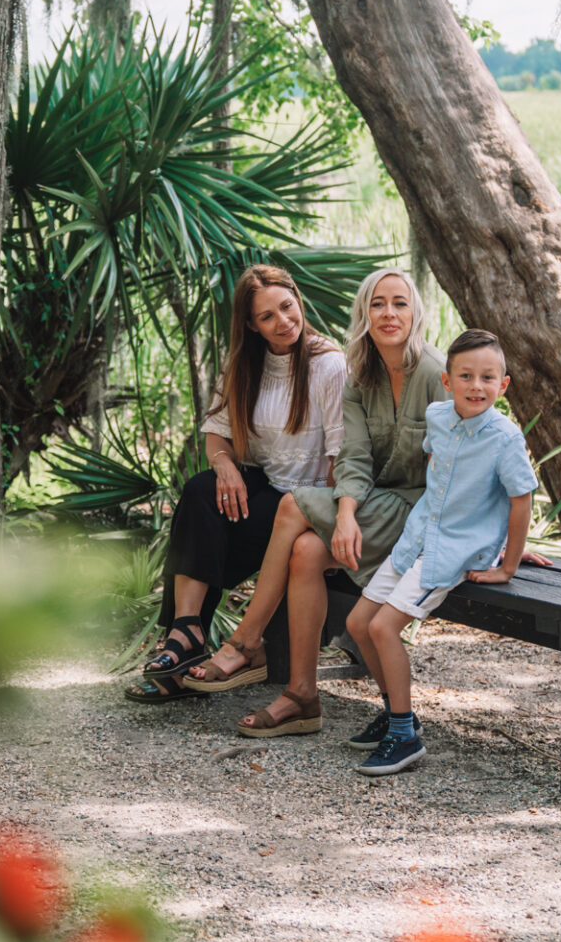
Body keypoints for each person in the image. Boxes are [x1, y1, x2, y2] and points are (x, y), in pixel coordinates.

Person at [185, 268, 444, 736]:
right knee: (305, 551)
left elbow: (474, 459)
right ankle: (302, 695)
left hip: (423, 515)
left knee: (291, 507)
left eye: (400, 303)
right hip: (375, 506)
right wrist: (345, 514)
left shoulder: (433, 372)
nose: (388, 313)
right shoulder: (360, 373)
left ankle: (246, 639)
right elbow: (355, 457)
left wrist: (498, 538)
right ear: (363, 313)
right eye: (377, 304)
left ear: (416, 311)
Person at [131, 263, 345, 714]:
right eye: (267, 316)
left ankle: (191, 653)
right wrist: (225, 463)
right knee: (201, 493)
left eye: (287, 307)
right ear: (251, 324)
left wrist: (321, 515)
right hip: (266, 490)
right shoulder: (243, 364)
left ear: (298, 299)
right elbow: (216, 431)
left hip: (309, 503)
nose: (283, 321)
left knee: (216, 524)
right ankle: (187, 633)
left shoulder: (329, 363)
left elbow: (340, 458)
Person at [344, 328, 539, 777]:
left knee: (385, 628)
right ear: (447, 381)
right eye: (466, 376)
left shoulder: (504, 438)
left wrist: (508, 562)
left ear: (503, 385)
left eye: (488, 378)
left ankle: (404, 736)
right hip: (418, 537)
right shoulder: (437, 416)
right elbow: (435, 462)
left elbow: (521, 499)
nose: (477, 386)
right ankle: (397, 710)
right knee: (358, 623)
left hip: (455, 549)